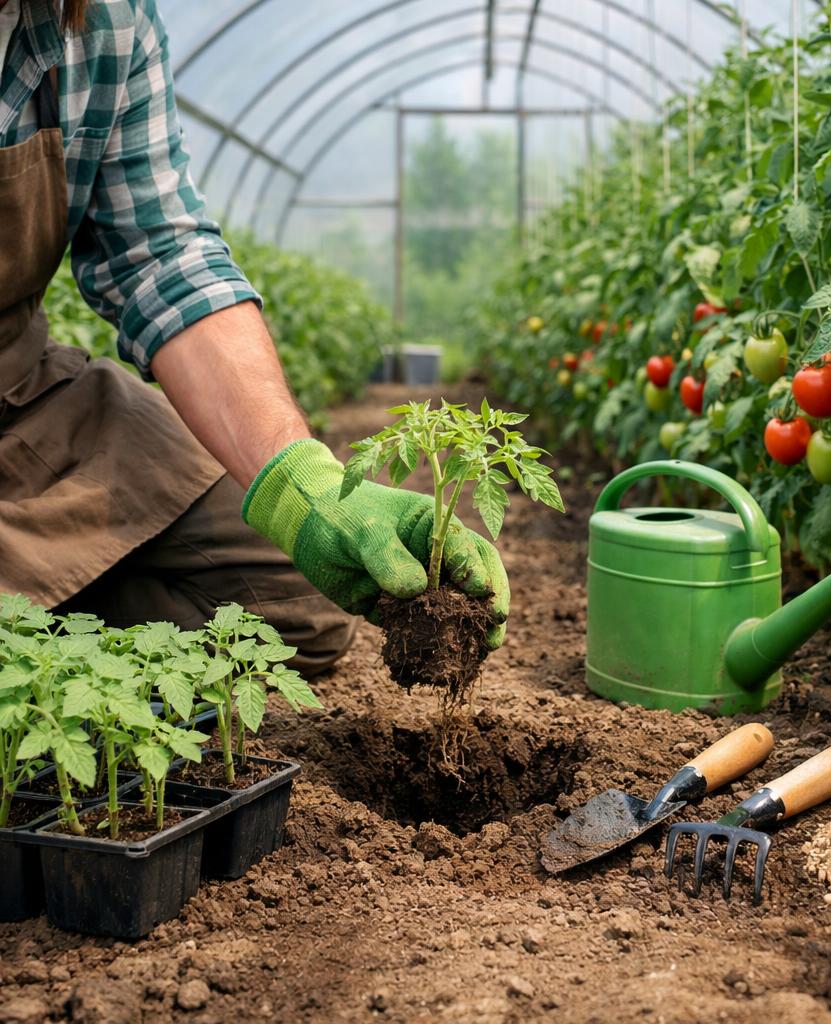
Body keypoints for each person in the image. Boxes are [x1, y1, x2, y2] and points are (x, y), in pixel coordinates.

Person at [0, 0, 509, 672]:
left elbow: (161, 256)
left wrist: (306, 486)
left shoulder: (104, 19)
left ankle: (40, 653)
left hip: (19, 387)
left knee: (285, 603)